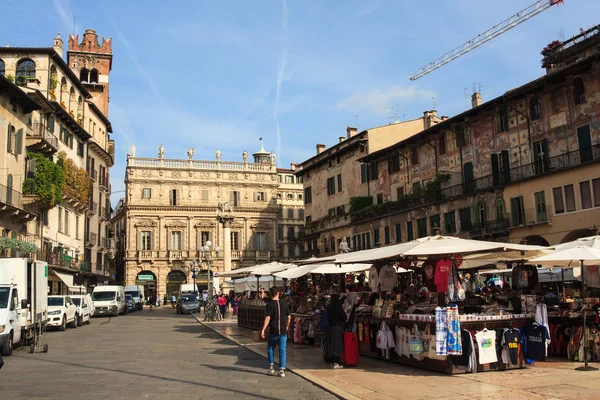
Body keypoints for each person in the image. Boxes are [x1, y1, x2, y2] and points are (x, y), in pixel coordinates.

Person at [261, 287, 290, 378]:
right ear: (278, 293)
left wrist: (263, 330)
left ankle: (271, 367)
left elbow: (268, 318)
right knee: (282, 350)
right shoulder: (284, 304)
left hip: (273, 331)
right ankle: (281, 370)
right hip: (283, 331)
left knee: (270, 348)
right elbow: (289, 317)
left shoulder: (269, 305)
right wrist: (287, 326)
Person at [327, 294, 347, 369]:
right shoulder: (339, 308)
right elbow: (344, 318)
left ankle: (332, 362)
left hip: (330, 328)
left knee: (332, 344)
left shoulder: (329, 308)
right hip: (337, 327)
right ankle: (336, 362)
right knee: (337, 345)